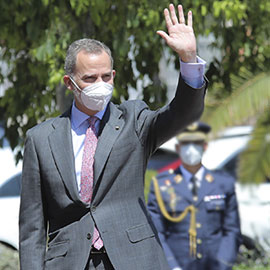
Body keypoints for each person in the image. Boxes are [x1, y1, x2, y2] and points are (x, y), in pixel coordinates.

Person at [19, 4, 207, 270]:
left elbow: (183, 113)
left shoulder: (134, 120)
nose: (100, 84)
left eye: (106, 76)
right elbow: (32, 227)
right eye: (90, 78)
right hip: (70, 262)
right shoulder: (40, 139)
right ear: (69, 83)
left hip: (134, 259)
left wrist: (189, 59)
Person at [147, 122, 242, 270]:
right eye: (186, 144)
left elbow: (231, 230)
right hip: (177, 265)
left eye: (196, 143)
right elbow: (157, 231)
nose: (191, 149)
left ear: (204, 147)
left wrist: (223, 264)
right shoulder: (162, 185)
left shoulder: (223, 183)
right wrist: (171, 265)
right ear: (178, 148)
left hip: (215, 264)